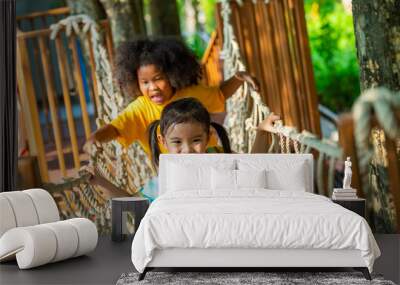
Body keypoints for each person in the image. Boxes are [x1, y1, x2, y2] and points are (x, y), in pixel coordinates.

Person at [84, 38, 259, 156]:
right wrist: (95, 138)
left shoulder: (191, 94)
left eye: (158, 79)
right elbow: (116, 129)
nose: (152, 87)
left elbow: (220, 94)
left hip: (208, 159)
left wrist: (238, 78)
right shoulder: (140, 108)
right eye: (145, 82)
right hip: (173, 175)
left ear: (172, 75)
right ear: (134, 82)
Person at [140, 97, 279, 201]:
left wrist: (261, 132)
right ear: (163, 141)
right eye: (177, 141)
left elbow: (252, 168)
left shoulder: (220, 155)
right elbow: (133, 205)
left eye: (196, 140)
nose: (187, 150)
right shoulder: (163, 181)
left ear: (208, 137)